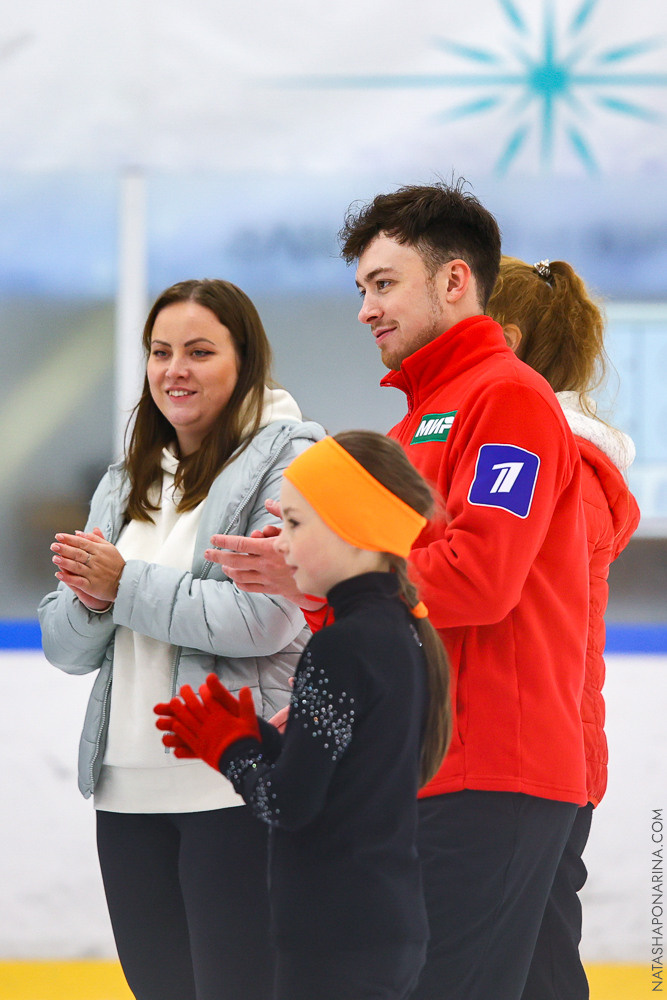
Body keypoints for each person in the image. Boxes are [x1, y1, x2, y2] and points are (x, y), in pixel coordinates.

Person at [208, 181, 591, 1000]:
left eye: (383, 284)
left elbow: (482, 580)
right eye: (361, 290)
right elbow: (382, 603)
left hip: (493, 772)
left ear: (454, 281)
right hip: (431, 767)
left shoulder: (507, 401)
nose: (365, 309)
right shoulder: (414, 424)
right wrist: (305, 579)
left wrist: (335, 571)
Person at [38, 278, 324, 1000]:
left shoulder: (293, 463)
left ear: (245, 360)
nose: (175, 370)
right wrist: (97, 598)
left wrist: (121, 585)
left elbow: (265, 618)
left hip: (230, 787)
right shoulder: (123, 478)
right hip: (124, 795)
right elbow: (66, 647)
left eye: (199, 351)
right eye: (160, 352)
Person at [154, 430, 452, 1000]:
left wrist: (230, 748)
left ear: (353, 526)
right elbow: (347, 775)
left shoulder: (342, 646)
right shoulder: (399, 632)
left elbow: (287, 804)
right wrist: (256, 735)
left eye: (294, 523)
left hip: (335, 937)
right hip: (379, 926)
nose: (280, 544)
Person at [487, 256, 640, 1000]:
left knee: (536, 968)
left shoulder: (558, 466)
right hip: (523, 755)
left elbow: (514, 609)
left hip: (534, 761)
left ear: (506, 343)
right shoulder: (526, 456)